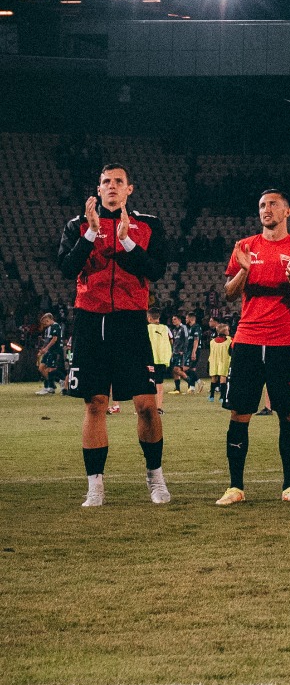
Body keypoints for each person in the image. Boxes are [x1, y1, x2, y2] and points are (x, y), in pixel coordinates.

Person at [56, 165, 168, 506]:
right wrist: (90, 234)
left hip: (131, 321)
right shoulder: (76, 226)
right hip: (90, 319)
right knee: (95, 404)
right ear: (98, 189)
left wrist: (126, 241)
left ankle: (155, 477)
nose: (112, 187)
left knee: (147, 406)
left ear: (129, 188)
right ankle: (95, 485)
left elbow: (156, 270)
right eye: (106, 182)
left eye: (119, 181)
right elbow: (66, 269)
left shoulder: (149, 225)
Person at [217, 189, 290, 505]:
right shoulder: (245, 247)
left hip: (285, 341)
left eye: (273, 204)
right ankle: (236, 487)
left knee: (288, 414)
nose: (266, 209)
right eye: (262, 204)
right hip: (247, 339)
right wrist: (245, 270)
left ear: (287, 211)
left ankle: (289, 486)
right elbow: (229, 294)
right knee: (239, 413)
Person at [145, 309, 172, 402]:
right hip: (162, 359)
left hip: (150, 360)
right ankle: (159, 409)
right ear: (158, 318)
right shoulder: (165, 328)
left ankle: (147, 408)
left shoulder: (147, 328)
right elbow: (171, 340)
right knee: (159, 384)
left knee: (148, 384)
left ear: (149, 318)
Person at [33, 311, 62, 395]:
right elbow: (48, 341)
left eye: (45, 322)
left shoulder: (55, 326)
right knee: (41, 368)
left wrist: (46, 349)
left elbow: (54, 339)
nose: (44, 325)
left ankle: (50, 386)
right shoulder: (49, 328)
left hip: (54, 351)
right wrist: (42, 350)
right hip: (48, 351)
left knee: (49, 370)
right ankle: (54, 384)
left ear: (48, 320)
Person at [207, 321, 232, 402]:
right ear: (225, 332)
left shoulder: (212, 341)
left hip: (213, 361)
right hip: (224, 361)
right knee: (223, 378)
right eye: (228, 330)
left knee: (213, 378)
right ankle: (222, 397)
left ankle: (211, 396)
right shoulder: (229, 341)